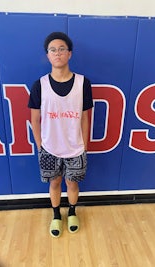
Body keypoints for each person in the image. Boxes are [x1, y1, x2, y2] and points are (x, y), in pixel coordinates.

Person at [28, 32, 93, 238]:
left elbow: (84, 118)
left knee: (72, 183)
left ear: (70, 54)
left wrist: (84, 145)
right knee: (54, 182)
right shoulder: (40, 85)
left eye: (62, 49)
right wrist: (40, 145)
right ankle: (56, 215)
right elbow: (34, 119)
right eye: (53, 50)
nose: (57, 53)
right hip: (49, 148)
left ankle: (72, 212)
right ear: (48, 55)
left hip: (75, 147)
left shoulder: (83, 83)